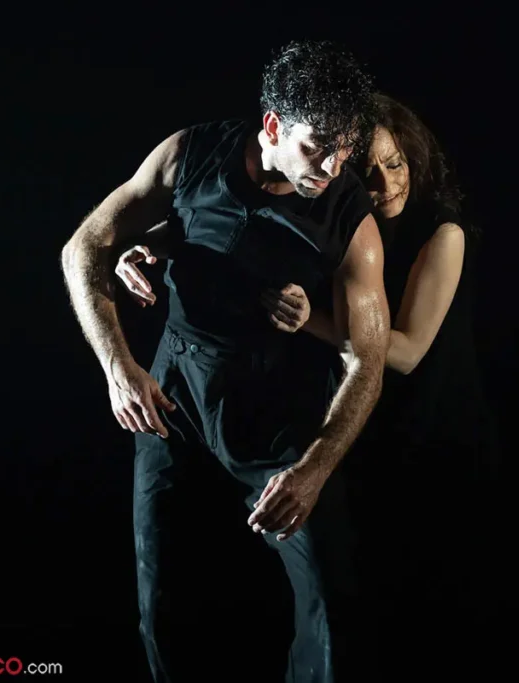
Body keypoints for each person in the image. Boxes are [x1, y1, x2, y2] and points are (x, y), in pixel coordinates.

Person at [60, 41, 390, 683]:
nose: (333, 164)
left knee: (329, 600)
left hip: (279, 407)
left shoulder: (350, 217)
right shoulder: (190, 154)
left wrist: (315, 469)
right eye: (319, 145)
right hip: (176, 393)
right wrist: (119, 367)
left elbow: (367, 362)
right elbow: (85, 247)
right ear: (273, 126)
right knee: (162, 589)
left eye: (346, 147)